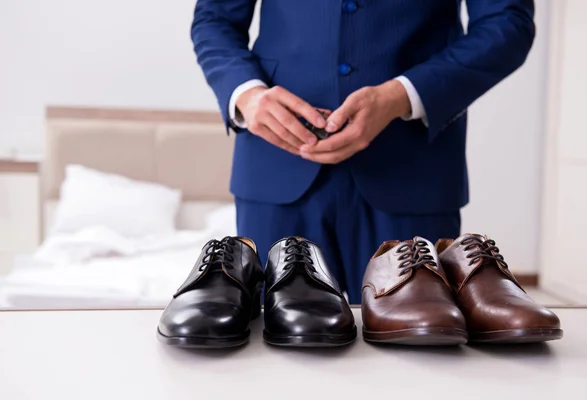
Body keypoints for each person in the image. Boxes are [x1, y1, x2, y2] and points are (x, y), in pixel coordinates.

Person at [190, 0, 535, 304]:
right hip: (277, 165)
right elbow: (214, 18)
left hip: (412, 167)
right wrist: (247, 95)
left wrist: (402, 95)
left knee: (416, 351)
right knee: (273, 354)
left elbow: (507, 24)